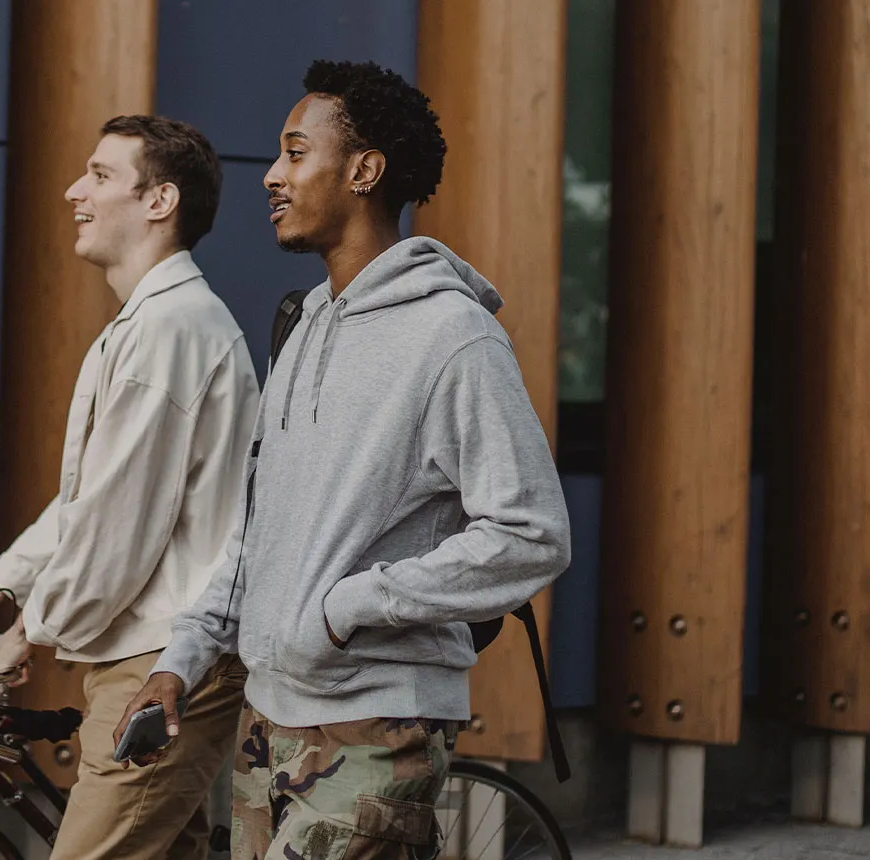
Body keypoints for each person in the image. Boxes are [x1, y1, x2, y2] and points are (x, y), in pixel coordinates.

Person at [119, 60, 572, 859]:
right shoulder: (301, 327)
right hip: (268, 719)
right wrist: (181, 662)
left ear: (364, 171)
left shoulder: (453, 337)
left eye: (296, 153)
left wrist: (350, 605)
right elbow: (260, 532)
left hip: (376, 723)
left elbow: (531, 533)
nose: (273, 175)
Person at [0, 115, 260, 860]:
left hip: (165, 659)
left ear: (160, 201)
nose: (74, 191)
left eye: (101, 175)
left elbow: (117, 524)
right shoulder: (151, 323)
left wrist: (29, 631)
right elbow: (94, 497)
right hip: (146, 651)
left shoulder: (171, 328)